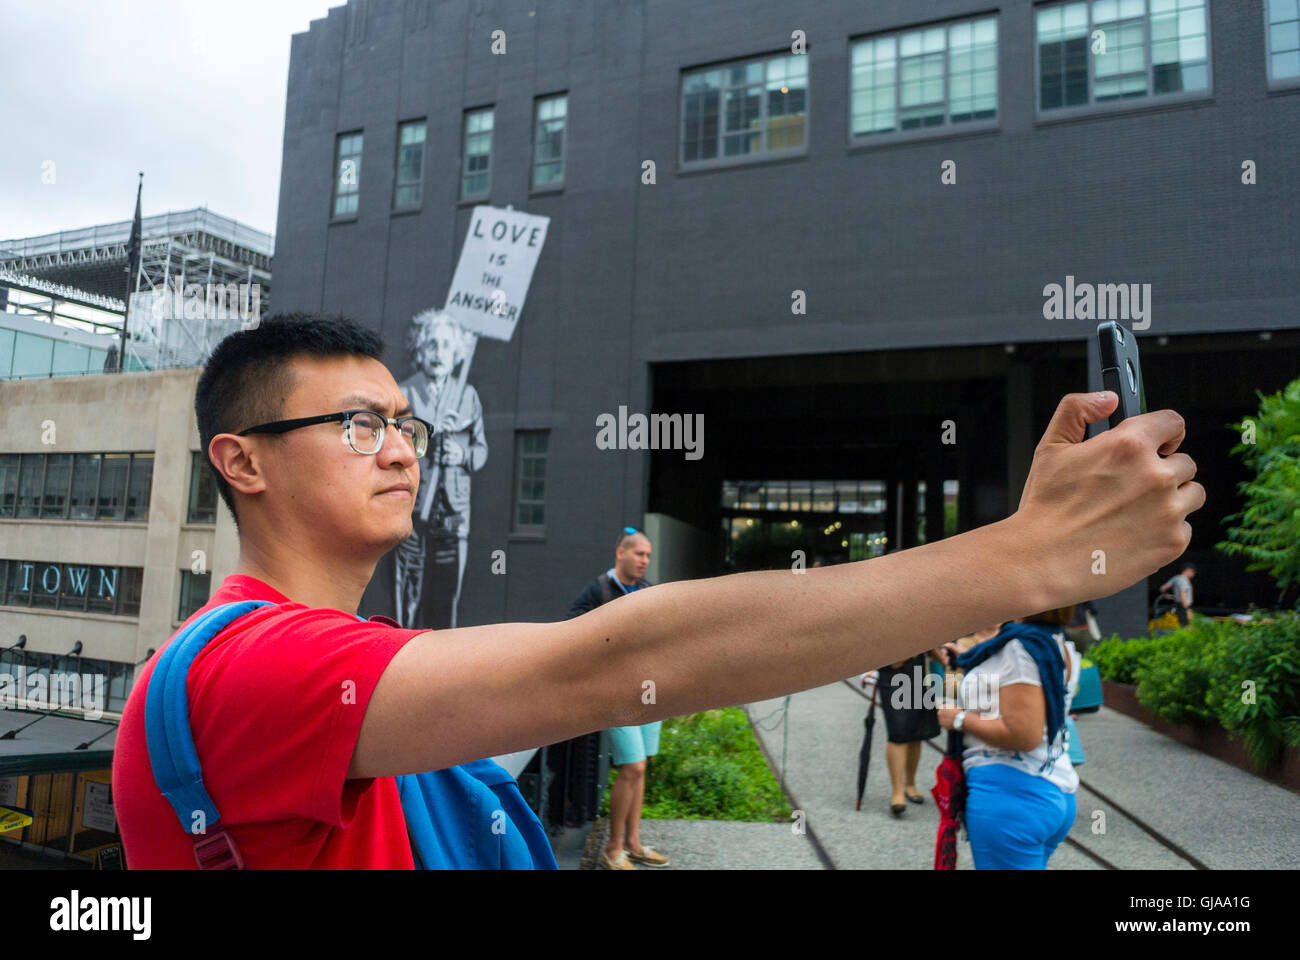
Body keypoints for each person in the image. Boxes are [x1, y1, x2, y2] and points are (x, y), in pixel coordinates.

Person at [112, 315, 1203, 868]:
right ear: (241, 460)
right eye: (358, 425)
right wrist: (1026, 556)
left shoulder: (336, 654)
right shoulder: (245, 665)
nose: (401, 451)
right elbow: (611, 662)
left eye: (407, 425)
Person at [937, 609, 1079, 870]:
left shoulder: (1020, 647)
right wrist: (967, 662)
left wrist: (958, 719)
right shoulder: (1058, 642)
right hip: (1051, 784)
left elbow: (1023, 734)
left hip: (1011, 795)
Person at [568, 528, 668, 870]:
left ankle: (634, 843)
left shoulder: (648, 591)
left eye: (648, 555)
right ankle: (612, 850)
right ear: (620, 553)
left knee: (642, 769)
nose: (644, 561)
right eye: (639, 554)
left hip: (650, 693)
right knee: (633, 766)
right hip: (615, 695)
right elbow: (571, 633)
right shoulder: (598, 590)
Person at [393, 309, 487, 629]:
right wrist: (429, 436)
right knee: (408, 591)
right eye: (431, 345)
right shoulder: (405, 393)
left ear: (457, 353)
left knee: (446, 593)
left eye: (446, 346)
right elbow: (394, 447)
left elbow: (481, 450)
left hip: (454, 512)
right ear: (420, 350)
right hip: (414, 508)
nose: (439, 353)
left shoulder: (467, 396)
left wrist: (462, 454)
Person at [876, 648, 947, 815]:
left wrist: (938, 654)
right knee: (898, 732)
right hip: (891, 669)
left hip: (917, 668)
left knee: (917, 731)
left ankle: (910, 784)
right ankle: (897, 791)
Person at [1157, 562, 1196, 626]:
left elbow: (1162, 588)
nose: (1193, 574)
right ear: (1188, 570)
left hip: (1177, 605)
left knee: (1179, 625)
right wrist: (1187, 609)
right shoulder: (1184, 580)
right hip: (1184, 606)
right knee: (1187, 626)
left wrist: (1165, 595)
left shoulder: (1176, 578)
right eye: (1193, 572)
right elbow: (1183, 594)